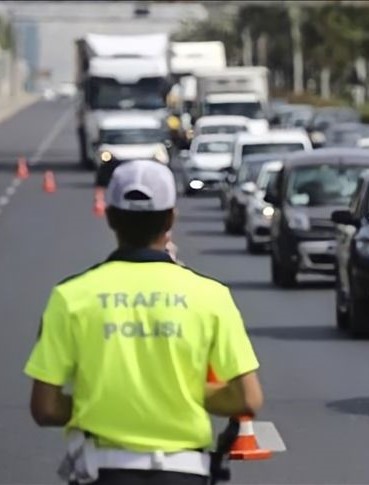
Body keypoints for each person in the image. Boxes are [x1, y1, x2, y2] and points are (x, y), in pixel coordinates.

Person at [25, 159, 263, 485]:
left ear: (109, 217)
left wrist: (104, 401)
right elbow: (247, 399)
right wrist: (179, 392)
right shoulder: (211, 296)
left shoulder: (70, 297)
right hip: (185, 471)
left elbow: (45, 407)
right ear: (171, 219)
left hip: (102, 472)